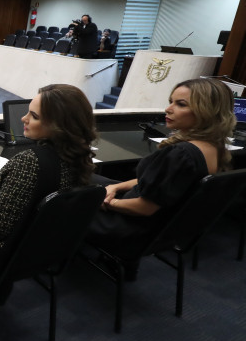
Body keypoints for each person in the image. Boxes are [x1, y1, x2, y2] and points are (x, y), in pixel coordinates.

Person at [0, 84, 97, 289]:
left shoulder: (29, 162)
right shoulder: (77, 158)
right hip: (34, 254)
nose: (23, 119)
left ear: (58, 126)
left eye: (34, 116)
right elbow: (20, 196)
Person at [85, 78, 235, 279]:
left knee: (68, 196)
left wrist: (107, 201)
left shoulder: (179, 154)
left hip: (127, 227)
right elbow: (158, 183)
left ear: (206, 111)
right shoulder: (214, 148)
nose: (168, 109)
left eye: (180, 104)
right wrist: (116, 187)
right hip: (156, 230)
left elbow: (144, 208)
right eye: (171, 101)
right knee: (87, 177)